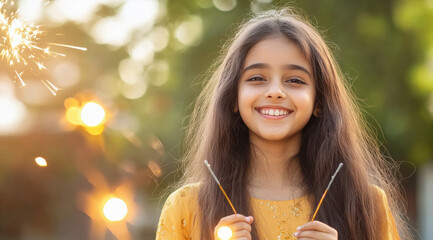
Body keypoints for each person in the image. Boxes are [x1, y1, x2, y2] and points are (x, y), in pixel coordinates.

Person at [156, 8, 412, 240]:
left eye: (295, 80)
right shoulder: (186, 208)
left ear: (319, 100)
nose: (275, 91)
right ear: (233, 97)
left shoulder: (366, 205)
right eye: (257, 78)